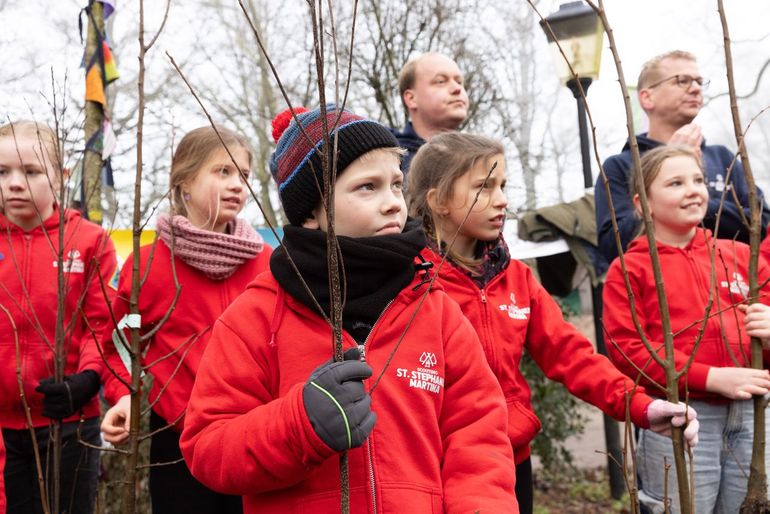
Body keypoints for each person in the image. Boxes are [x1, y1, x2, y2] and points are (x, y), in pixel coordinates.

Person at [179, 106, 518, 513]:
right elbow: (208, 446)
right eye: (367, 187)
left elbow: (478, 438)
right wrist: (299, 425)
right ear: (310, 212)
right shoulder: (256, 316)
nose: (394, 203)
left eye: (396, 184)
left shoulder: (434, 308)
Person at [407, 132, 700, 514]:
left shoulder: (515, 278)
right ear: (438, 200)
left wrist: (641, 406)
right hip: (434, 464)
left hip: (510, 460)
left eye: (503, 185)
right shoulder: (411, 281)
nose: (502, 199)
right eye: (484, 187)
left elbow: (570, 353)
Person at [99, 125, 272, 514]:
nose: (237, 185)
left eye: (243, 174)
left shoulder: (267, 264)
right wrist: (122, 393)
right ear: (184, 182)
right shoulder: (146, 266)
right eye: (222, 171)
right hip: (178, 448)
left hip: (256, 441)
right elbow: (116, 345)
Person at [603, 145, 770, 513]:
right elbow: (627, 350)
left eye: (697, 179)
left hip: (754, 415)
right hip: (682, 419)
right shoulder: (630, 269)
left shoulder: (740, 256)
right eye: (676, 183)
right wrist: (709, 377)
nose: (693, 189)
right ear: (642, 203)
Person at [0, 121, 117, 514]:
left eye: (31, 171)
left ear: (61, 175)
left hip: (68, 424)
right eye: (3, 172)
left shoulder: (89, 240)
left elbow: (101, 324)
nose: (15, 183)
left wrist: (86, 380)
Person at [594, 50, 770, 265]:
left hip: (731, 286)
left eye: (699, 81)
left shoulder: (723, 157)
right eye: (682, 81)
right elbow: (613, 246)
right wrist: (669, 162)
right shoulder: (621, 166)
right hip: (663, 291)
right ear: (647, 97)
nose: (695, 88)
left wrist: (697, 204)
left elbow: (760, 225)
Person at [392, 52, 469, 173]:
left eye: (459, 82)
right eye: (440, 81)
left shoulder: (476, 161)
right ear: (411, 98)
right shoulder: (390, 161)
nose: (457, 88)